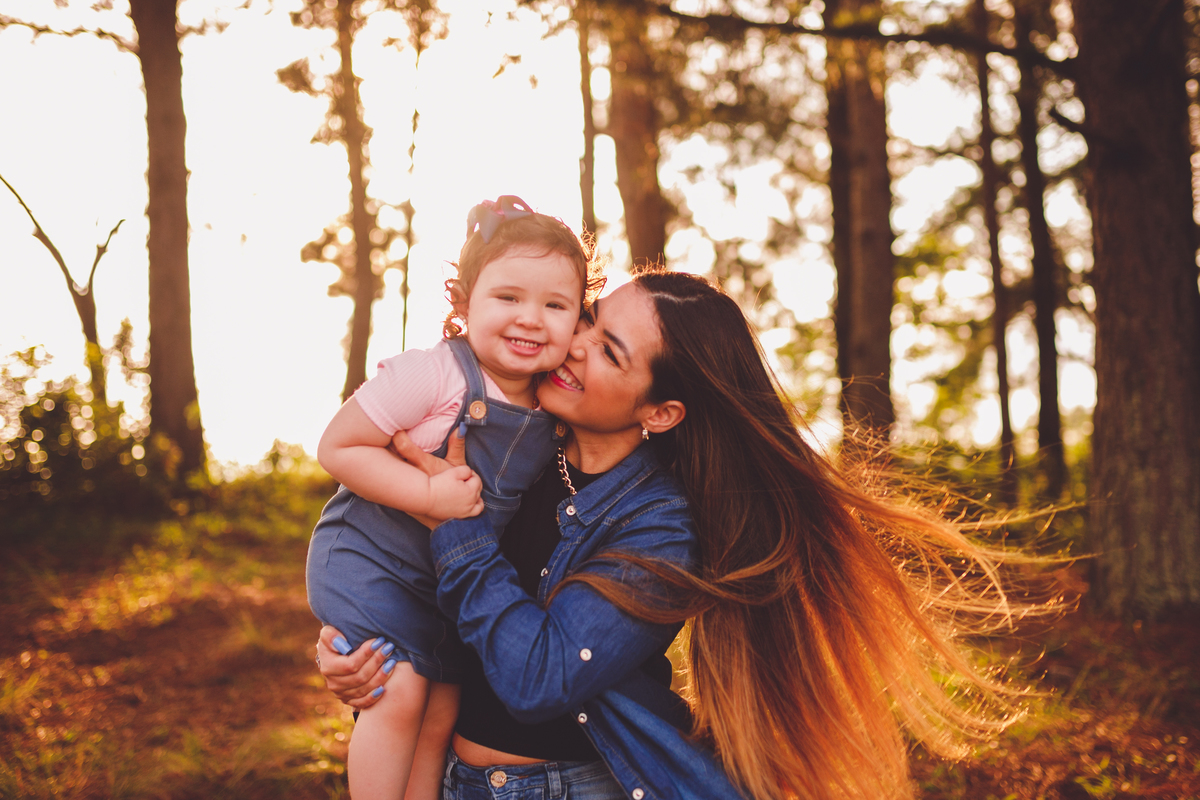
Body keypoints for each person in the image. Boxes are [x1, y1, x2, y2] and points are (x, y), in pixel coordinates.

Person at [318, 269, 1050, 800]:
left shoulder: (663, 526)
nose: (575, 346)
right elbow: (414, 589)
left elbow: (538, 678)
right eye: (591, 321)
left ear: (661, 413)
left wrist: (458, 530)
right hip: (447, 779)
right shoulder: (508, 446)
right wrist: (363, 652)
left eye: (610, 352)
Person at [306, 196, 603, 800]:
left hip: (443, 586)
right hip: (371, 558)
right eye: (508, 297)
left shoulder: (554, 408)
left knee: (441, 712)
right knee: (400, 692)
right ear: (463, 303)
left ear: (580, 320)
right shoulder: (433, 373)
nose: (531, 319)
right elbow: (338, 446)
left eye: (555, 305)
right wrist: (427, 492)